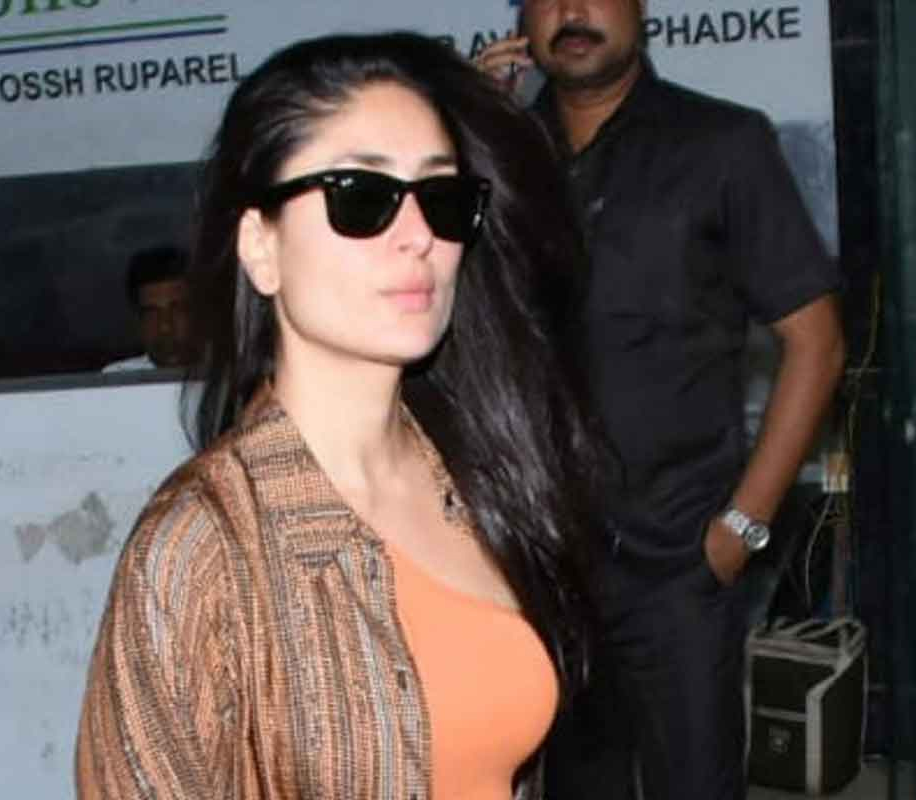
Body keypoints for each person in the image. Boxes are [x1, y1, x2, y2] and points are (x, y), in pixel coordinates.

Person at [76, 31, 602, 800]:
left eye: (442, 197)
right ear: (261, 247)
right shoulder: (201, 547)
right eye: (361, 197)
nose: (418, 236)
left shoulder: (479, 472)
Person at [478, 2, 846, 799]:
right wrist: (464, 133)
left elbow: (817, 343)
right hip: (547, 564)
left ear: (640, 8)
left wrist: (743, 528)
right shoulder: (502, 158)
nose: (573, 12)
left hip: (681, 562)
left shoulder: (721, 144)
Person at [103, 244, 196, 371]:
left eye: (177, 310)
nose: (165, 327)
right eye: (152, 315)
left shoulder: (222, 375)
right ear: (138, 322)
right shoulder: (117, 378)